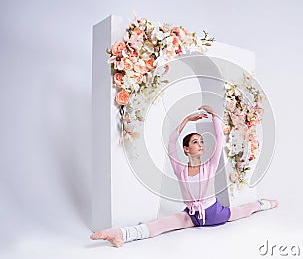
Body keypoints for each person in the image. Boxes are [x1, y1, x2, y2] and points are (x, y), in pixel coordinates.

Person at [90, 105, 278, 247]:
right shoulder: (180, 169)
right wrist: (187, 119)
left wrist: (214, 116)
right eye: (196, 142)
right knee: (160, 225)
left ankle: (265, 203)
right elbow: (172, 142)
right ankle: (119, 234)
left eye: (202, 141)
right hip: (192, 217)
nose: (201, 144)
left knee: (246, 209)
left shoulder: (210, 166)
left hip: (216, 213)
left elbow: (220, 139)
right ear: (187, 149)